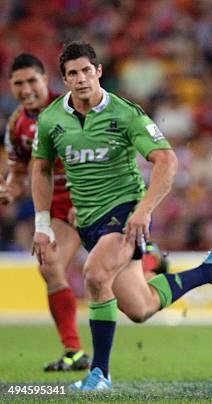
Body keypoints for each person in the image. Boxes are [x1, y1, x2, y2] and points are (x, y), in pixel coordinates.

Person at [31, 41, 212, 391]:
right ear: (64, 79)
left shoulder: (125, 113)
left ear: (99, 72)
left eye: (87, 70)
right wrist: (42, 225)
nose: (82, 78)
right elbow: (40, 170)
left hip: (124, 213)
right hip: (87, 221)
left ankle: (99, 373)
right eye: (73, 73)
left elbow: (167, 160)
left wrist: (144, 211)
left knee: (95, 275)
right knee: (141, 307)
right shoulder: (51, 120)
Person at [1, 53, 90, 372]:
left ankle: (150, 255)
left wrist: (90, 199)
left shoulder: (73, 107)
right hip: (58, 206)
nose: (26, 89)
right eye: (18, 83)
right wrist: (10, 188)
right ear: (11, 87)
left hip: (96, 195)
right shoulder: (17, 124)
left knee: (131, 294)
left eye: (32, 81)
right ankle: (74, 351)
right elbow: (20, 172)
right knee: (49, 265)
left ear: (46, 80)